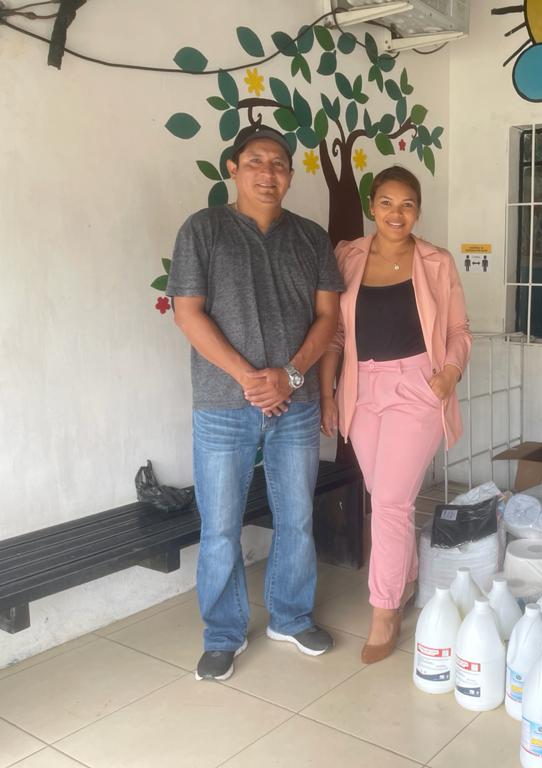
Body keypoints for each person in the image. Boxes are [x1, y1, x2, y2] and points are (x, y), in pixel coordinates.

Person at [166, 123, 345, 681]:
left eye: (279, 164)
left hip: (296, 403)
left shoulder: (311, 238)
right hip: (223, 403)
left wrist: (289, 377)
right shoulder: (203, 230)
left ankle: (290, 617)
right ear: (233, 169)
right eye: (256, 162)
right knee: (220, 526)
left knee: (296, 518)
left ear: (290, 175)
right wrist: (251, 378)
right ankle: (222, 634)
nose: (268, 173)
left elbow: (328, 317)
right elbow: (187, 313)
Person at [319, 165, 471, 664]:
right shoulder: (348, 256)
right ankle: (405, 580)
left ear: (418, 211)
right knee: (386, 497)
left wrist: (448, 376)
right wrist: (327, 392)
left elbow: (459, 330)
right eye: (386, 202)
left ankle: (383, 610)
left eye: (407, 204)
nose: (396, 213)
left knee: (388, 502)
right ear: (372, 206)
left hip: (417, 386)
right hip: (361, 388)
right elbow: (336, 334)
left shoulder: (436, 262)